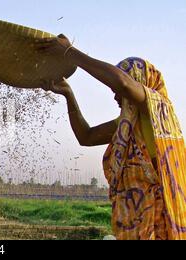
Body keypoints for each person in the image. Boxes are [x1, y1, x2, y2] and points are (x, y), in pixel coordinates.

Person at [35, 35, 186, 240]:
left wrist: (69, 52)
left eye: (116, 91)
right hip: (135, 225)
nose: (115, 96)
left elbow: (122, 83)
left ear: (141, 84)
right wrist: (68, 95)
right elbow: (86, 136)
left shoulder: (159, 111)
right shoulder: (126, 126)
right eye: (114, 91)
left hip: (160, 226)